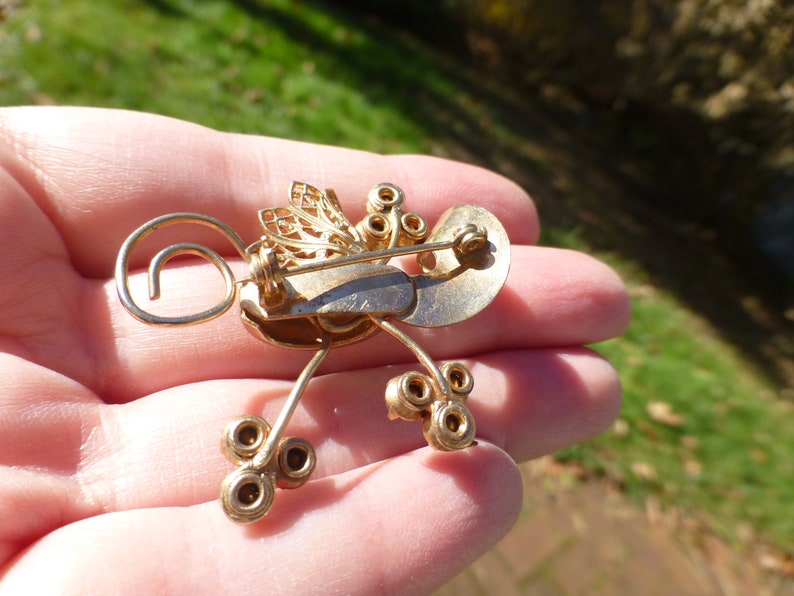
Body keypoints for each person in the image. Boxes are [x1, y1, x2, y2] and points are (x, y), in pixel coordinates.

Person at [0, 107, 630, 593]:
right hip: (305, 304)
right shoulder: (341, 274)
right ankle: (281, 454)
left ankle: (306, 444)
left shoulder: (387, 278)